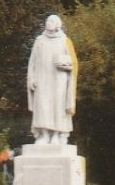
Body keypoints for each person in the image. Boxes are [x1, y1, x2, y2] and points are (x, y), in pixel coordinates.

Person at [27, 14, 78, 146]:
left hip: (58, 80)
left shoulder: (65, 41)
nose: (48, 23)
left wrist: (65, 64)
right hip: (42, 80)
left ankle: (56, 134)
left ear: (57, 25)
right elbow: (32, 62)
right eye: (47, 21)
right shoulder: (39, 40)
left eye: (51, 21)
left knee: (57, 107)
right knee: (42, 107)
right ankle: (43, 135)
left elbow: (73, 63)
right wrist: (31, 78)